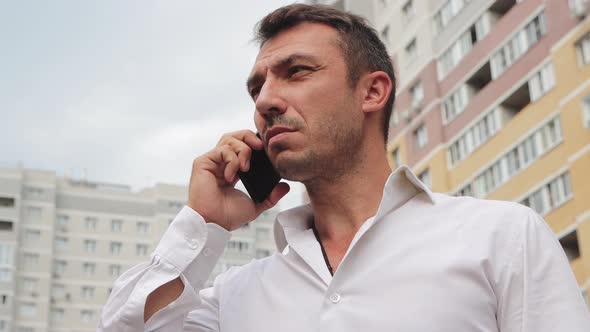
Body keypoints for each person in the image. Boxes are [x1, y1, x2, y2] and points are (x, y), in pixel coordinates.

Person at [98, 4, 590, 331]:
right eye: (257, 87)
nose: (266, 100)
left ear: (372, 92)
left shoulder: (501, 236)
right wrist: (202, 224)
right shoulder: (234, 297)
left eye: (296, 72)